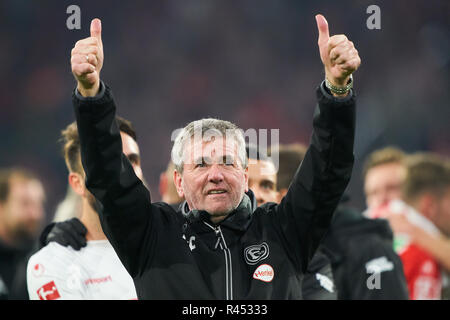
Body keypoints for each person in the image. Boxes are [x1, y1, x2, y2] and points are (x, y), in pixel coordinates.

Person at [69, 15, 359, 299]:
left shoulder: (283, 230)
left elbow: (327, 172)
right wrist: (91, 95)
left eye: (227, 162)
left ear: (245, 176)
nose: (216, 174)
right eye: (201, 164)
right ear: (179, 182)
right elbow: (108, 178)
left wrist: (337, 91)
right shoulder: (152, 234)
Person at [26, 118, 142, 300]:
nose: (126, 173)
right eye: (107, 164)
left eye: (132, 161)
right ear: (78, 183)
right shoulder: (52, 263)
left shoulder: (168, 243)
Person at [276, 144, 409, 299]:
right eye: (373, 192)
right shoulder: (281, 254)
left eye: (264, 187)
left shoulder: (369, 251)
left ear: (285, 197)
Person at [249, 144, 337, 299]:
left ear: (279, 198)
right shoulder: (205, 253)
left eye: (266, 186)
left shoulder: (308, 262)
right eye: (247, 183)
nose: (257, 194)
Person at [375, 153, 450, 299]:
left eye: (392, 188)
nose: (383, 198)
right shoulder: (416, 255)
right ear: (430, 205)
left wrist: (414, 230)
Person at [0, 168, 46, 299]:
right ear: (1, 206)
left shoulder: (43, 255)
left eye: (39, 203)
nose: (36, 214)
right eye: (25, 203)